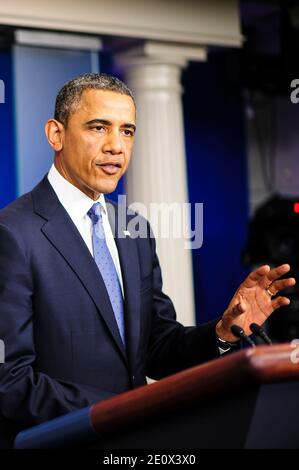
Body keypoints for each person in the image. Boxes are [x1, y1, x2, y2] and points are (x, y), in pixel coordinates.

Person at [0, 73, 295, 448]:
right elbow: (8, 380)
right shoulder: (12, 233)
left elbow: (156, 346)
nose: (115, 146)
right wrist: (125, 410)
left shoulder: (133, 229)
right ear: (56, 134)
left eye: (127, 131)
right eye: (98, 127)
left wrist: (222, 331)